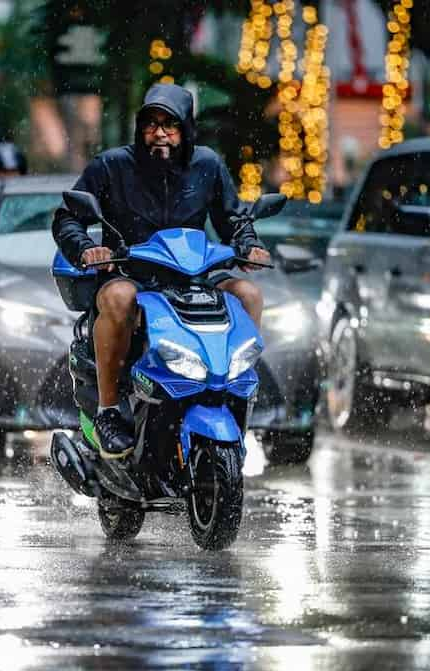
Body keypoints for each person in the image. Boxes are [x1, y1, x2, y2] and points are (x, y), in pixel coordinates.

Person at [52, 83, 272, 460]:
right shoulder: (112, 166)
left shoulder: (208, 166)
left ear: (186, 128)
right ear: (140, 129)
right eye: (151, 124)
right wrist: (88, 249)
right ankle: (108, 410)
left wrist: (247, 242)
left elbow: (233, 218)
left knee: (248, 295)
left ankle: (235, 395)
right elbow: (67, 219)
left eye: (169, 124)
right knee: (119, 299)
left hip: (192, 277)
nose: (160, 133)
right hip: (130, 274)